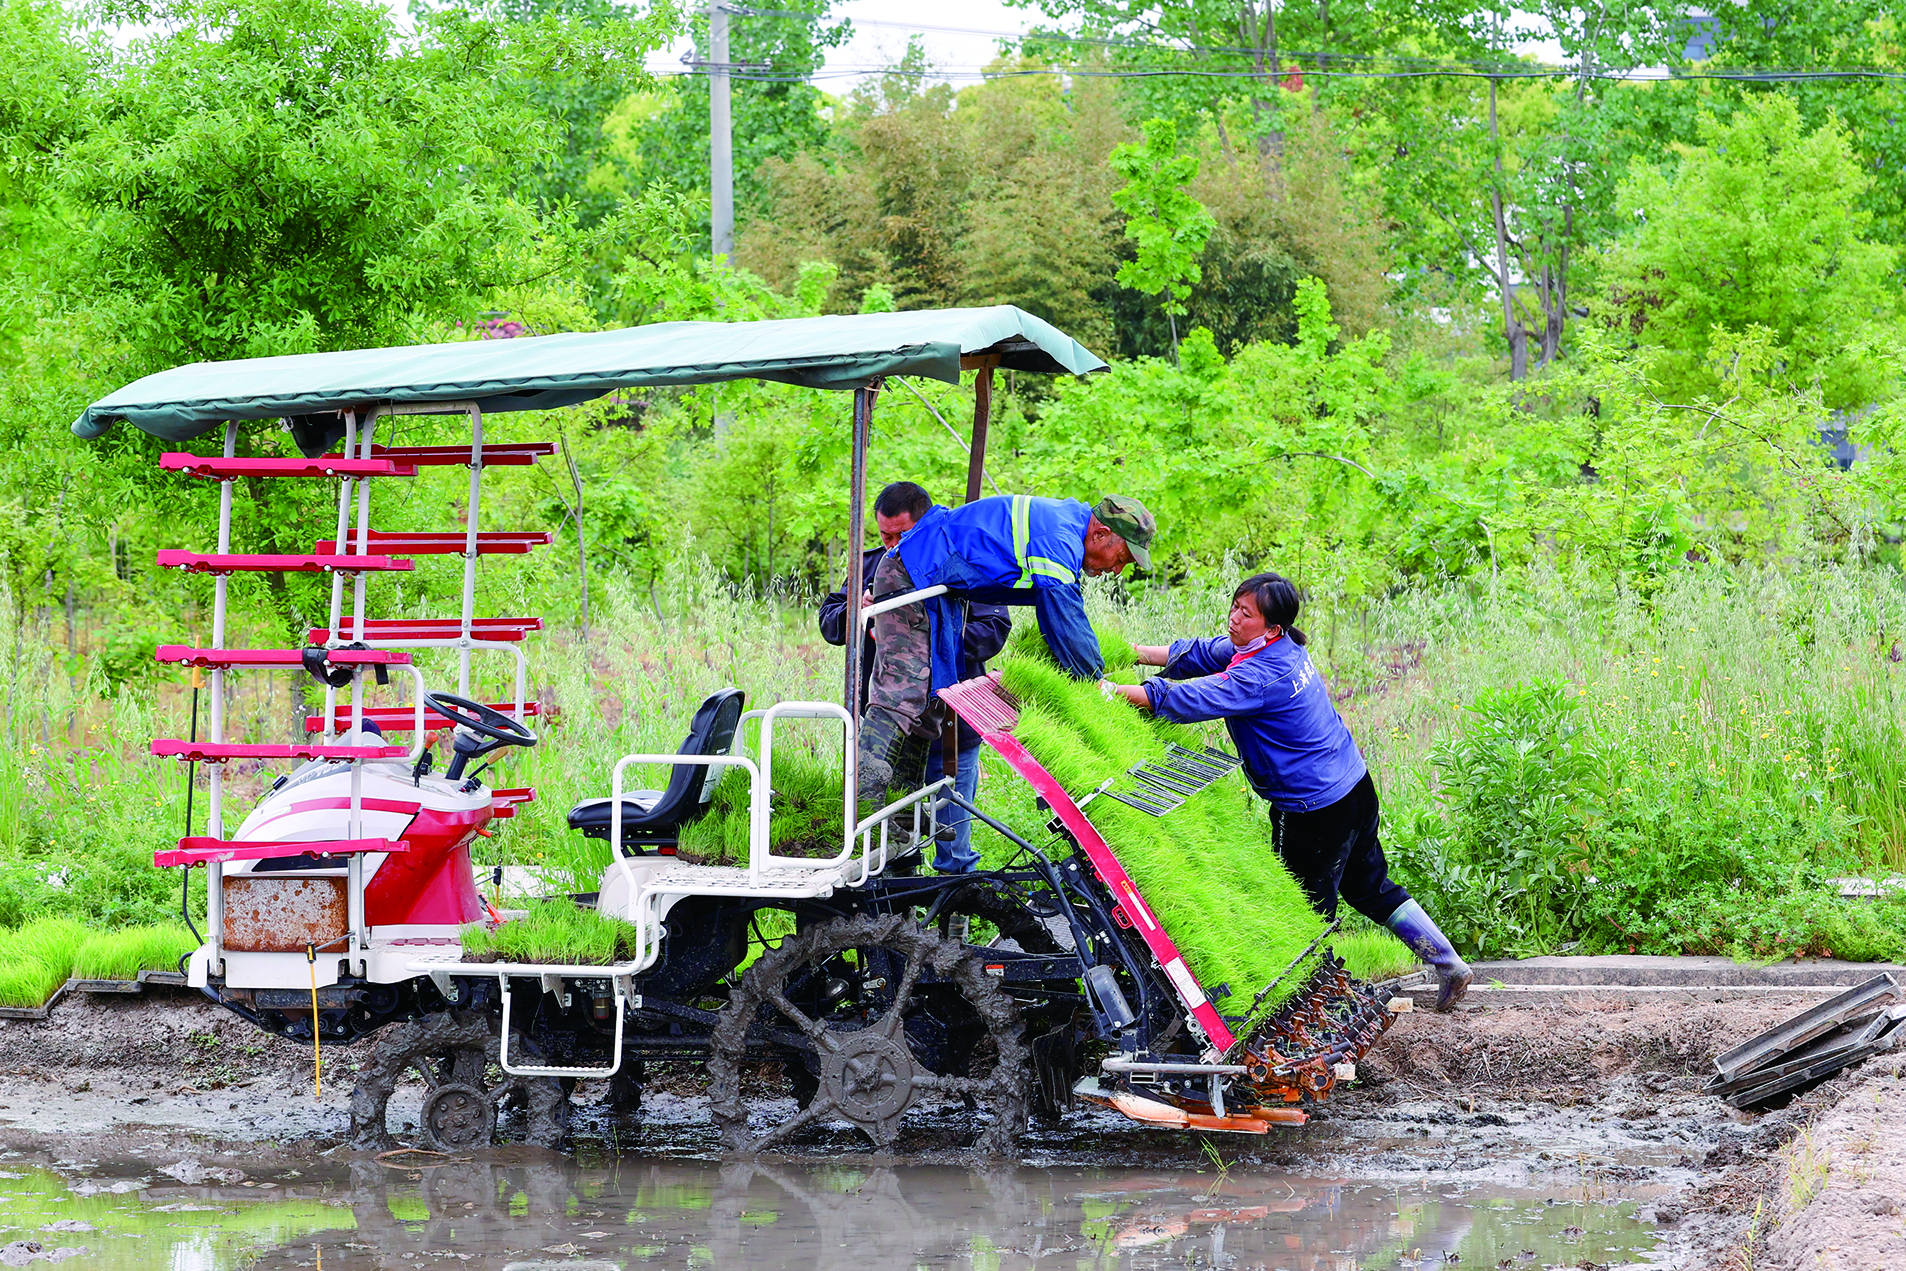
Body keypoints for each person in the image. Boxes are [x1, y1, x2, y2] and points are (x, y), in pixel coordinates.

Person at [1101, 572, 1472, 1011]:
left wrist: (1108, 692)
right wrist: (1132, 654)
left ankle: (1314, 1008)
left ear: (1271, 626)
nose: (1235, 618)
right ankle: (1449, 963)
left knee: (1302, 910)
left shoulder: (1262, 675)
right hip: (1353, 784)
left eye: (1247, 614)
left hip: (1316, 809)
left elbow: (1191, 699)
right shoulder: (1278, 647)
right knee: (1368, 885)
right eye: (1235, 606)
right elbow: (1205, 653)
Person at [858, 493, 1156, 808]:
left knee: (926, 703)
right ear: (1100, 534)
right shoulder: (1058, 538)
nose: (1118, 570)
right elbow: (1066, 620)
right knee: (900, 695)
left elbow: (1062, 620)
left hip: (935, 586)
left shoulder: (1067, 528)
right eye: (1122, 558)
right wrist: (1096, 685)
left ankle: (899, 820)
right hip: (909, 573)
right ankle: (862, 810)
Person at [819, 481, 1008, 872]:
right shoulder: (874, 565)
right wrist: (862, 613)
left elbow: (993, 629)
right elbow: (831, 621)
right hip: (888, 732)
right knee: (887, 844)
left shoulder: (965, 563)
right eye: (883, 534)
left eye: (900, 535)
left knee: (953, 845)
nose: (891, 544)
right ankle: (899, 923)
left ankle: (955, 925)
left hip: (952, 730)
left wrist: (920, 636)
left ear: (923, 525)